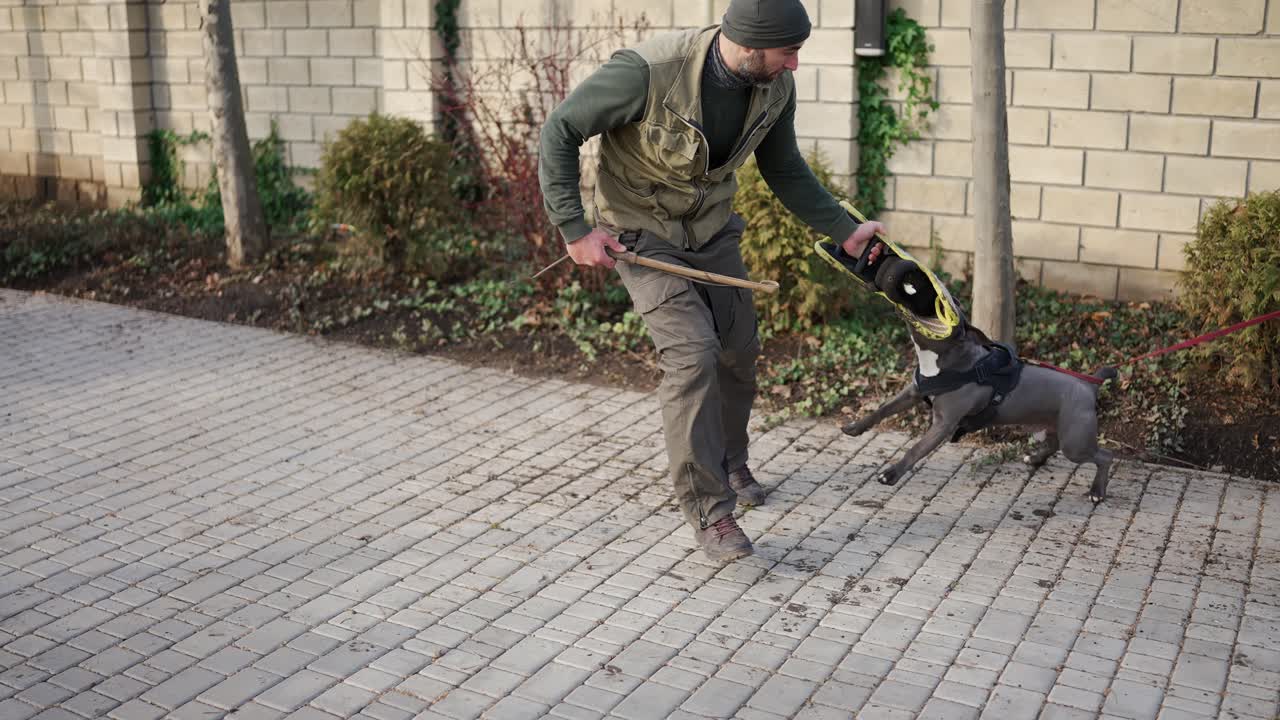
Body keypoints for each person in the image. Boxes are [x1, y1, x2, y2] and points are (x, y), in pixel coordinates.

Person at [537, 0, 887, 562]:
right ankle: (710, 510)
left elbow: (784, 168)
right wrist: (574, 228)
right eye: (788, 52)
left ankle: (729, 459)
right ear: (749, 44)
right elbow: (561, 129)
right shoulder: (648, 73)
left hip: (712, 230)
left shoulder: (774, 87)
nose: (794, 64)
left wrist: (844, 230)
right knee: (692, 355)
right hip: (641, 234)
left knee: (738, 350)